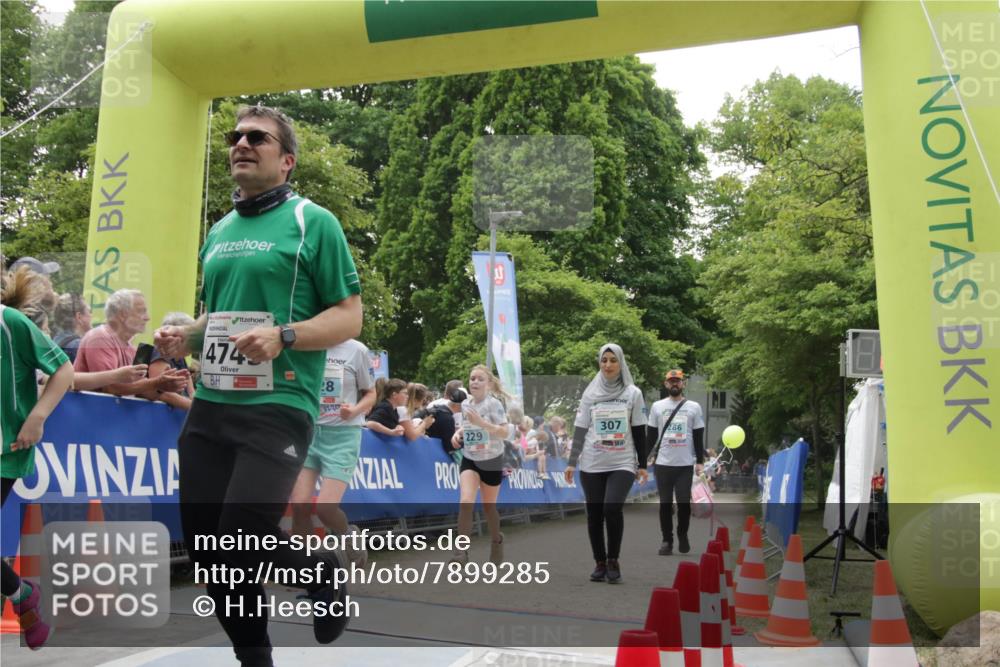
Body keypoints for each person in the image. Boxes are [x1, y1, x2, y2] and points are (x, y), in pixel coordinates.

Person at [154, 104, 363, 665]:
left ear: (287, 160)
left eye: (258, 138)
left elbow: (349, 317)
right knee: (209, 552)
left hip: (279, 403)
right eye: (235, 136)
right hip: (212, 406)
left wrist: (286, 335)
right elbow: (219, 319)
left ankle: (319, 571)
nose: (241, 143)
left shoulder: (312, 221)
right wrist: (185, 336)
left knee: (242, 533)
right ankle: (256, 660)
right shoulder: (219, 231)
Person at [1, 268, 75, 650]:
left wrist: (38, 416)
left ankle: (21, 595)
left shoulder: (10, 322)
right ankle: (22, 597)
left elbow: (64, 370)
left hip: (6, 448)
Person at [564, 344, 647, 584]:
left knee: (612, 508)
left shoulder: (633, 393)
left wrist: (641, 464)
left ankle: (613, 559)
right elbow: (580, 429)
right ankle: (599, 562)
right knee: (595, 513)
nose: (608, 365)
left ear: (621, 364)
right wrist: (572, 462)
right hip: (592, 462)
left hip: (621, 461)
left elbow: (639, 430)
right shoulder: (590, 394)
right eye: (604, 360)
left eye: (613, 360)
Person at [289, 338, 376, 567]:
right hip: (308, 432)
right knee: (299, 505)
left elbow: (371, 393)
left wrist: (355, 409)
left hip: (343, 436)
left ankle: (349, 536)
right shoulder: (306, 342)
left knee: (326, 509)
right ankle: (304, 568)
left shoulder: (357, 349)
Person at [75, 289, 189, 397]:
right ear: (122, 314)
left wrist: (163, 386)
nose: (148, 318)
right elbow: (110, 388)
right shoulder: (99, 338)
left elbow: (142, 392)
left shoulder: (130, 347)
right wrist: (156, 383)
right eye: (142, 311)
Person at [449, 365, 510, 564]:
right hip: (471, 457)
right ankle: (461, 552)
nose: (474, 382)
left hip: (492, 459)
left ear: (489, 384)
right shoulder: (466, 404)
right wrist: (457, 434)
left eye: (479, 379)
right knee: (466, 501)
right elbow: (465, 427)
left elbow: (504, 433)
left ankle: (496, 541)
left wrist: (483, 423)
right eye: (472, 378)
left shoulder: (495, 405)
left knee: (488, 507)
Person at [647, 369, 705, 555]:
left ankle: (682, 534)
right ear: (665, 384)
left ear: (683, 384)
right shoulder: (657, 406)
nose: (674, 384)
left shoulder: (694, 407)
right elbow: (651, 436)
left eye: (677, 381)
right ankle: (667, 540)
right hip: (663, 464)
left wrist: (700, 461)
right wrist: (642, 459)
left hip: (684, 465)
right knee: (664, 504)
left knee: (683, 504)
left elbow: (698, 436)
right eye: (671, 381)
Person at [147, 311, 198, 410]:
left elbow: (191, 393)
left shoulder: (180, 358)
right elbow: (163, 393)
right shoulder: (160, 353)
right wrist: (196, 410)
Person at [52, 293, 92, 362]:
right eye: (89, 311)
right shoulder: (78, 346)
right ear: (79, 317)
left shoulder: (55, 341)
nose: (91, 315)